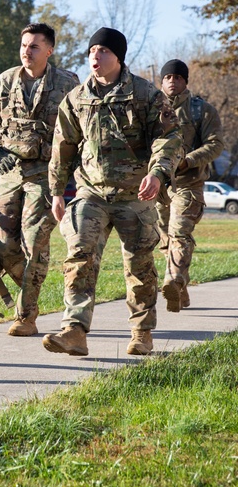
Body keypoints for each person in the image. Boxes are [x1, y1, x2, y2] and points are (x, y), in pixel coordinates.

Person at [43, 27, 182, 357]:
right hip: (90, 193)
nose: (95, 56)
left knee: (139, 265)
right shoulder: (77, 98)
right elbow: (62, 145)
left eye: (103, 51)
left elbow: (170, 138)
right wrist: (57, 192)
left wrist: (158, 173)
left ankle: (142, 332)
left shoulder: (146, 94)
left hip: (137, 194)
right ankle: (74, 330)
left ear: (118, 57)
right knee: (79, 255)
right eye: (92, 51)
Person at [0, 23, 79, 337]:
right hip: (9, 173)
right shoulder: (4, 81)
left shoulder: (67, 83)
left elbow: (82, 131)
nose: (27, 51)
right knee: (5, 246)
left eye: (35, 46)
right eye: (24, 45)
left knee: (34, 239)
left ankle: (26, 315)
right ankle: (31, 289)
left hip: (46, 175)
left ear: (49, 50)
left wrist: (79, 173)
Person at [156, 59, 224, 311]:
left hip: (188, 183)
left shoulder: (201, 110)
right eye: (168, 77)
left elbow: (216, 144)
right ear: (161, 81)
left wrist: (189, 161)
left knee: (180, 232)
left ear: (185, 81)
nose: (172, 81)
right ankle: (181, 290)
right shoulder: (148, 108)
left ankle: (174, 280)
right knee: (164, 240)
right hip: (157, 186)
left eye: (177, 77)